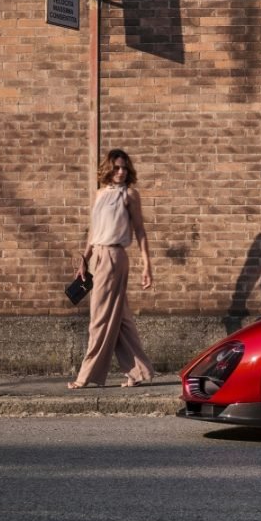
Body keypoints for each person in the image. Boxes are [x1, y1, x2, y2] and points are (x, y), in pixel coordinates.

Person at [69, 149, 156, 389]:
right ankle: (139, 371)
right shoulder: (99, 194)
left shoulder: (129, 195)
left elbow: (140, 231)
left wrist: (147, 265)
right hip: (97, 255)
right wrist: (84, 260)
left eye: (124, 168)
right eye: (117, 167)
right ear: (109, 168)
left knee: (99, 318)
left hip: (114, 256)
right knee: (121, 318)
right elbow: (94, 231)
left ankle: (86, 376)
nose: (121, 172)